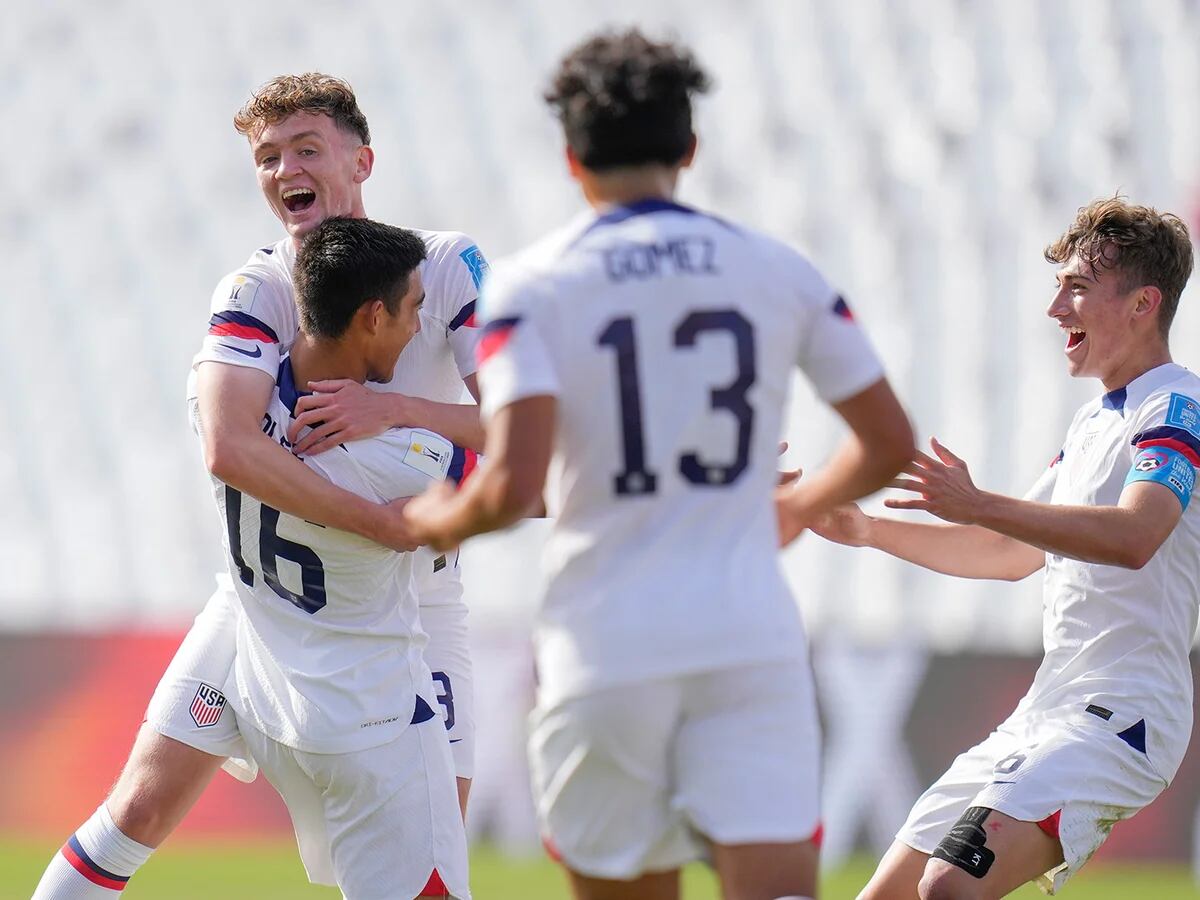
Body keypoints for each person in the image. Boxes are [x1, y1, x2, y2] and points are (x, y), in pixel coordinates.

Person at [405, 29, 915, 900]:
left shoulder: (532, 284)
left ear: (571, 159)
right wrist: (793, 510)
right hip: (745, 634)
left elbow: (512, 486)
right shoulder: (777, 269)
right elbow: (889, 444)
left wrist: (426, 520)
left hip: (607, 643)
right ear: (690, 148)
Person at [32, 74, 484, 899]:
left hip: (415, 606)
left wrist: (393, 407)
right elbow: (224, 444)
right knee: (139, 806)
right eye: (266, 157)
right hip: (268, 608)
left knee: (431, 840)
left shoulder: (444, 265)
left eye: (305, 149)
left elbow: (530, 428)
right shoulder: (256, 285)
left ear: (363, 160)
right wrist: (375, 521)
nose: (283, 171)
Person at [814, 197, 1198, 899]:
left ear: (1144, 303)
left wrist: (982, 500)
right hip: (1047, 712)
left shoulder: (1174, 409)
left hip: (1123, 715)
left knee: (948, 889)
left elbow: (1139, 535)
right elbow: (1004, 550)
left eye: (1077, 288)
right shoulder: (1093, 423)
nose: (1057, 309)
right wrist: (865, 531)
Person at [214, 215, 468, 899]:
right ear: (372, 316)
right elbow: (543, 481)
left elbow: (225, 440)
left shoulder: (234, 418)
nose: (421, 330)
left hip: (282, 718)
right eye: (413, 310)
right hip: (378, 730)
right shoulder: (390, 454)